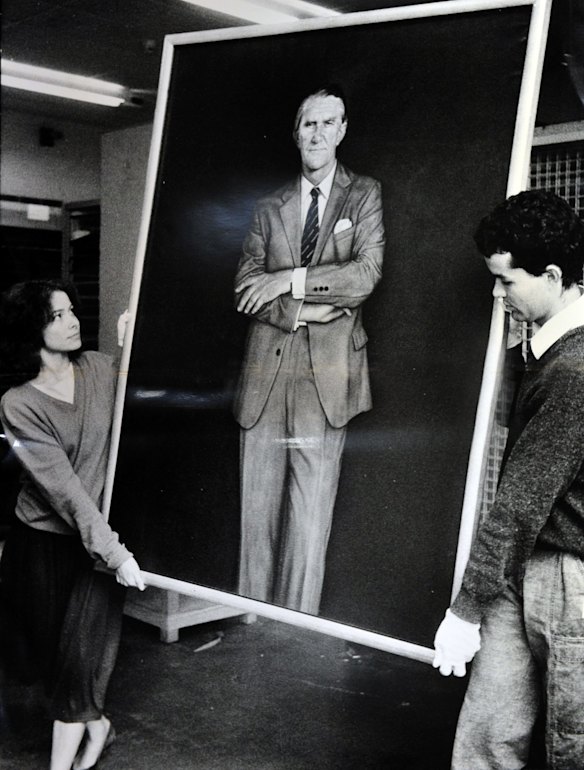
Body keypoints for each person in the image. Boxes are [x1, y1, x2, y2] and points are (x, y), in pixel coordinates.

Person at [432, 190, 584, 770]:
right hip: (520, 566)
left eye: (506, 281)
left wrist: (465, 607)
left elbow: (521, 501)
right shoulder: (545, 347)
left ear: (552, 276)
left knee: (570, 746)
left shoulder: (573, 371)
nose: (497, 295)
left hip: (566, 579)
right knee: (487, 734)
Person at [233, 84, 385, 614]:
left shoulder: (363, 194)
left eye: (327, 123)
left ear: (342, 131)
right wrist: (303, 310)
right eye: (308, 124)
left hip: (327, 377)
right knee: (256, 512)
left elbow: (364, 275)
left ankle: (295, 628)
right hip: (265, 373)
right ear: (295, 134)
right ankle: (250, 619)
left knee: (310, 512)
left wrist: (288, 280)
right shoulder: (267, 207)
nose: (317, 134)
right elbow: (245, 285)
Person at [0, 280, 145, 770]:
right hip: (42, 544)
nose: (72, 321)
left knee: (79, 660)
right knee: (51, 661)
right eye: (56, 316)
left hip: (97, 542)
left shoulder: (101, 367)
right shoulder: (18, 404)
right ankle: (97, 724)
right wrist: (115, 552)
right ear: (31, 330)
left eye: (71, 311)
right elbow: (64, 490)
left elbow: (143, 408)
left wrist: (132, 347)